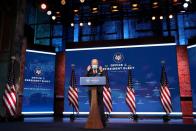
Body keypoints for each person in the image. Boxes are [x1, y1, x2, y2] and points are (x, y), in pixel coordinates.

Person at [86, 59, 106, 127]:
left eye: (96, 63)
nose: (94, 64)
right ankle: (92, 121)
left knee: (100, 107)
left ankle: (102, 122)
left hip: (99, 91)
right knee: (92, 106)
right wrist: (87, 71)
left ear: (98, 64)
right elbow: (85, 79)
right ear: (91, 64)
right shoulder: (89, 70)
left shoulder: (101, 70)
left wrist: (101, 72)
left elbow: (104, 79)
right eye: (93, 63)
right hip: (91, 91)